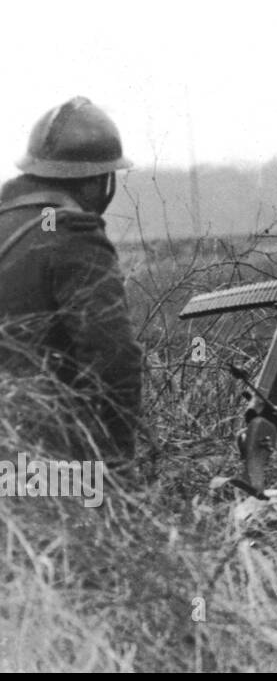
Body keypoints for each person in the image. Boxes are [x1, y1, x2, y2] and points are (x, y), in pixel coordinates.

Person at [0, 98, 143, 461]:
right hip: (36, 462)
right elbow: (113, 360)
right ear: (97, 181)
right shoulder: (72, 234)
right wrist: (116, 472)